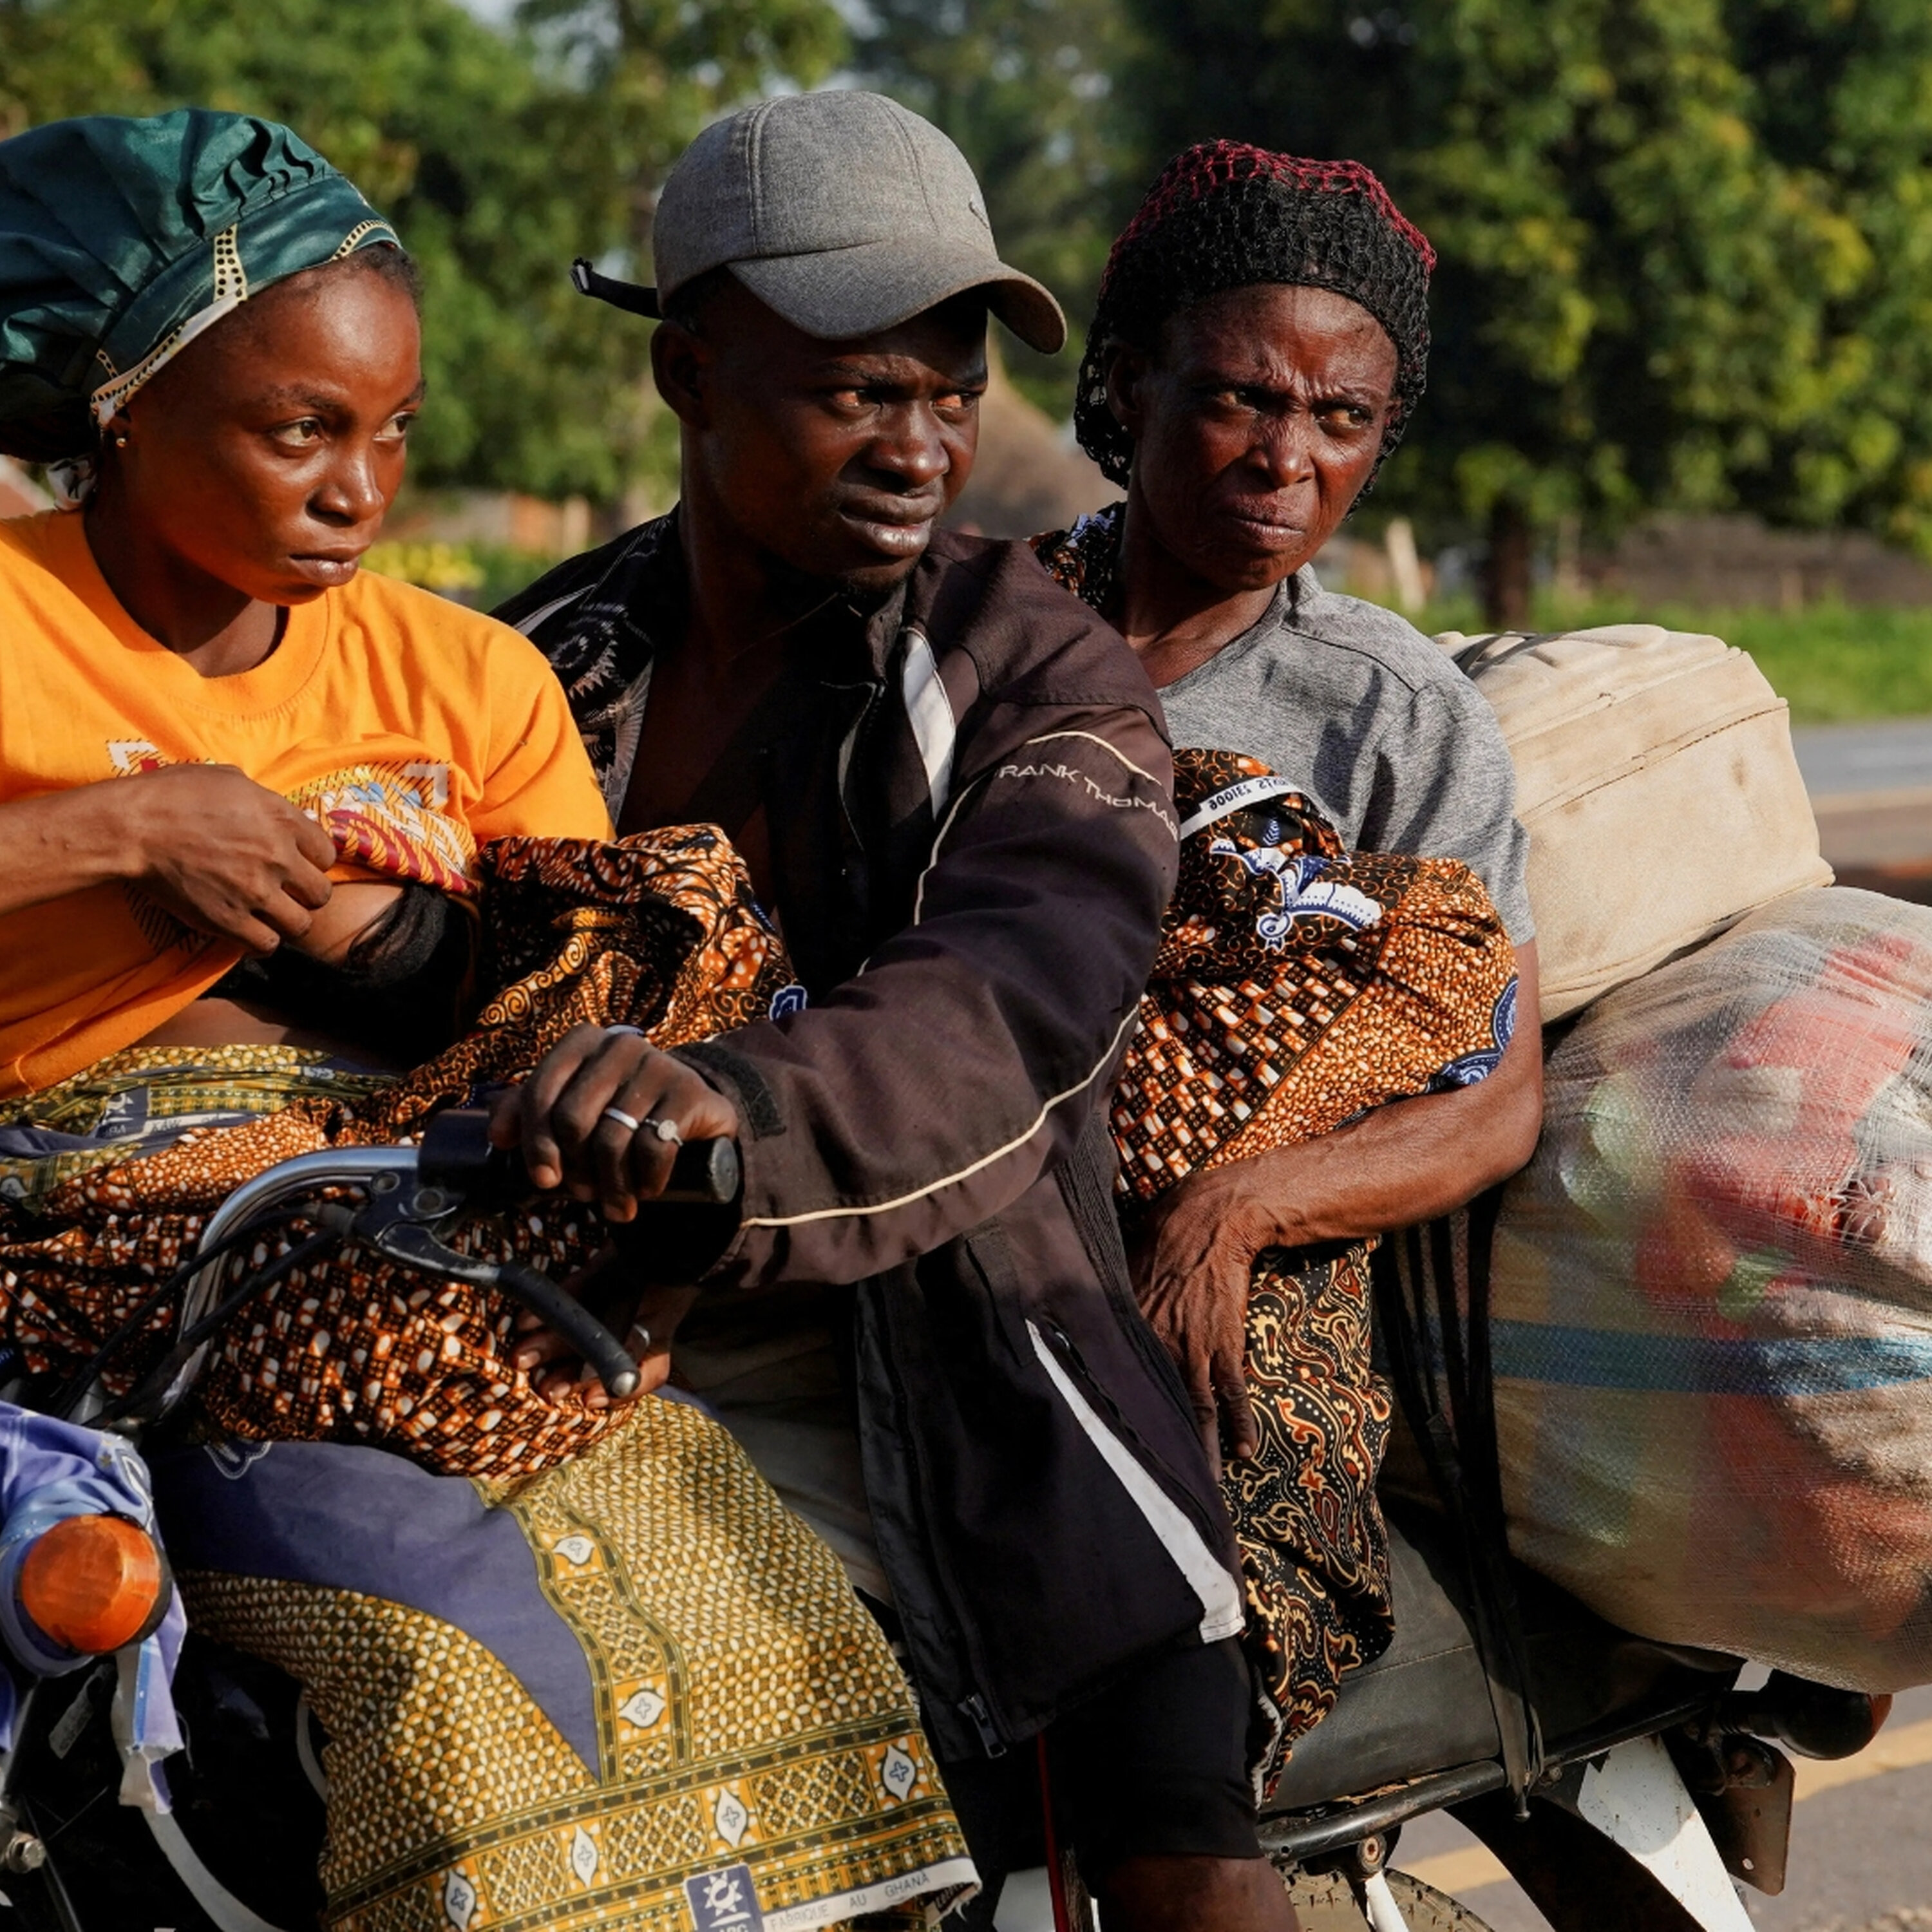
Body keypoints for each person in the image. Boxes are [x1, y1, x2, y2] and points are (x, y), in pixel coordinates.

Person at [0, 110, 972, 1930]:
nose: (358, 488)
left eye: (391, 434)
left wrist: (630, 1210)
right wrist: (129, 825)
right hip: (101, 1248)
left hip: (429, 1233)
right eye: (301, 431)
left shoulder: (471, 674)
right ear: (123, 407)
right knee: (445, 1673)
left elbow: (607, 985)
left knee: (773, 1627)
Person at [495, 90, 1299, 1932]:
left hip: (987, 1327)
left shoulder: (1032, 666)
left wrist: (725, 1114)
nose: (922, 447)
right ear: (690, 377)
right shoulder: (549, 661)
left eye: (950, 396)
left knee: (1176, 1822)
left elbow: (1010, 1000)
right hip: (575, 1325)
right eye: (860, 392)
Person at [1034, 142, 1543, 1781]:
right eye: (1243, 399)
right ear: (1130, 382)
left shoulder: (1391, 715)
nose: (1288, 459)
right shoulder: (988, 629)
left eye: (1343, 421)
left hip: (1245, 1253)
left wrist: (1243, 1207)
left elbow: (1493, 1091)